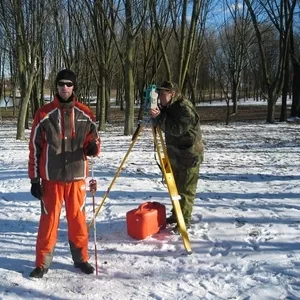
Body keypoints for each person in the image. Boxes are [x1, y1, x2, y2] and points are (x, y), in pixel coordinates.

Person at [28, 69, 101, 278]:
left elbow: (94, 140)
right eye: (61, 84)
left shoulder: (85, 113)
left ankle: (81, 259)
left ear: (74, 87)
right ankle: (42, 263)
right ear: (56, 87)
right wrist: (34, 179)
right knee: (48, 222)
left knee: (78, 220)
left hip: (76, 179)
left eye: (69, 84)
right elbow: (35, 147)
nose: (65, 88)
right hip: (51, 179)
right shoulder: (43, 114)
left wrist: (93, 147)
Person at [150, 80, 204, 230]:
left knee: (185, 190)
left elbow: (177, 129)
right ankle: (176, 214)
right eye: (158, 93)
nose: (159, 97)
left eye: (162, 94)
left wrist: (159, 117)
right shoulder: (170, 107)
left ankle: (184, 220)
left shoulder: (185, 108)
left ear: (172, 94)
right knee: (174, 187)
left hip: (189, 155)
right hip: (175, 153)